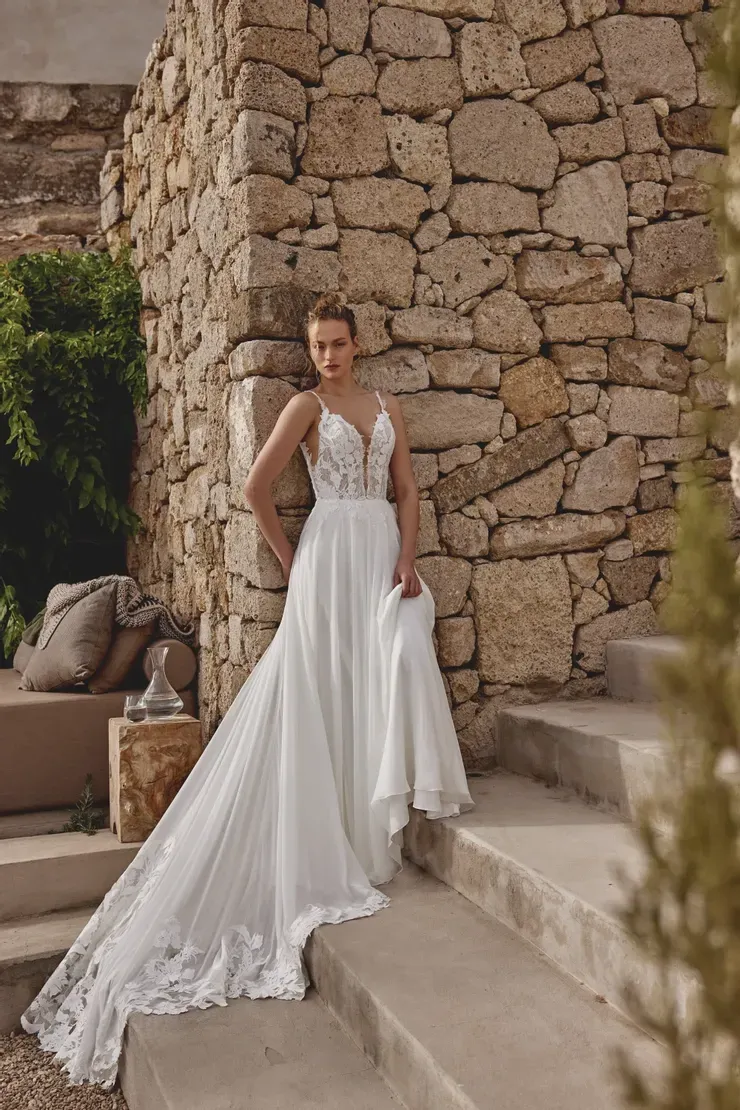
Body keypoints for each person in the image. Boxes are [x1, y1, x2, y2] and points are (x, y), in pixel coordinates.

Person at [19, 292, 473, 1091]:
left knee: (377, 673)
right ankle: (332, 826)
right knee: (321, 685)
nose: (329, 356)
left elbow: (407, 492)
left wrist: (408, 559)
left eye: (338, 344)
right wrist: (295, 563)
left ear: (358, 344)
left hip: (379, 557)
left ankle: (370, 812)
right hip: (328, 552)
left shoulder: (386, 405)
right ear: (309, 350)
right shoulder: (304, 405)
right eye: (318, 346)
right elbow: (257, 489)